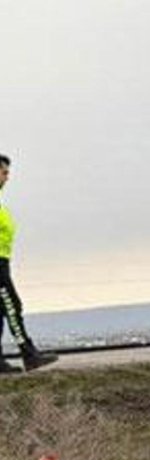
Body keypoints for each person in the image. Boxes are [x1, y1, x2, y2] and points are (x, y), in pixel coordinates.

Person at [0, 154, 57, 373]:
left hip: (3, 261)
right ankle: (29, 354)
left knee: (0, 311)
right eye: (4, 172)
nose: (8, 177)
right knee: (13, 307)